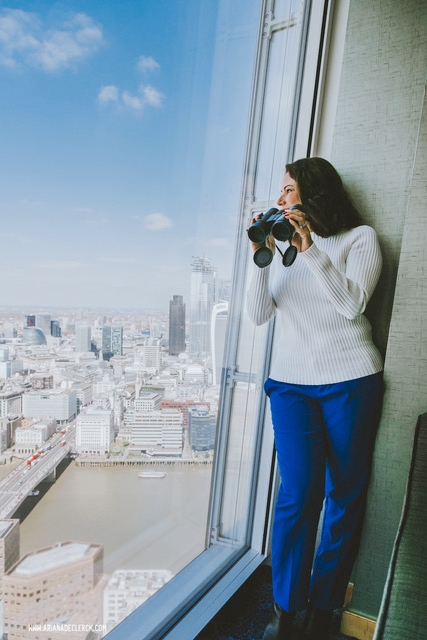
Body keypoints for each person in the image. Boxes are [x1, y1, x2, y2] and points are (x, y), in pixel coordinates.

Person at [246, 157, 384, 640]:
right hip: (290, 386)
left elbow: (351, 305)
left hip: (350, 381)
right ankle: (286, 609)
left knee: (344, 495)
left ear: (314, 192)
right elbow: (258, 315)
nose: (280, 199)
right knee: (296, 496)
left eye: (288, 189)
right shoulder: (281, 250)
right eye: (280, 192)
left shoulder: (359, 239)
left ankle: (326, 608)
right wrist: (261, 257)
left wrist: (310, 250)